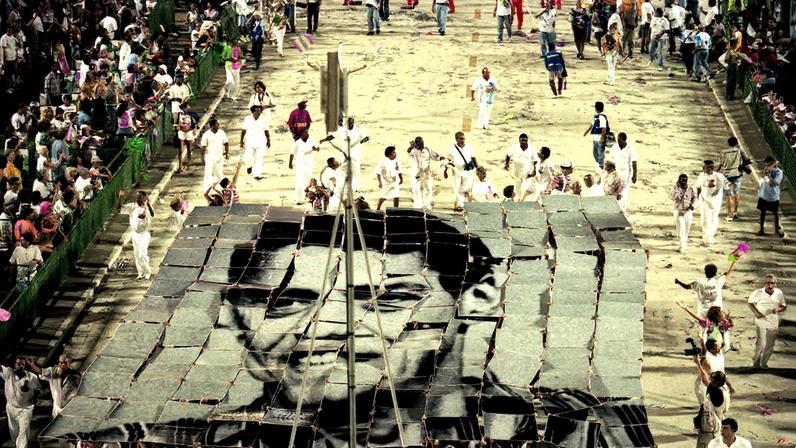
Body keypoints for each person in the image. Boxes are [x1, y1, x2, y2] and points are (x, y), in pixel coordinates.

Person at [747, 274, 786, 369]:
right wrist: (757, 312)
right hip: (761, 321)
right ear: (764, 283)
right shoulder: (758, 292)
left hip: (773, 321)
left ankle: (764, 363)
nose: (770, 285)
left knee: (770, 345)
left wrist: (778, 309)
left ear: (775, 284)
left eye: (772, 283)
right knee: (761, 343)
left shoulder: (779, 293)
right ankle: (756, 363)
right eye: (768, 283)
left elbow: (783, 306)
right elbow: (750, 303)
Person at [2, 357, 41, 448]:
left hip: (25, 408)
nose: (20, 366)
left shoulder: (32, 377)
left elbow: (37, 389)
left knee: (24, 431)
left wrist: (35, 398)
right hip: (11, 408)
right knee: (14, 432)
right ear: (14, 364)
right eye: (18, 363)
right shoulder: (8, 373)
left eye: (22, 364)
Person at [321, 117, 370, 192]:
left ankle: (356, 188)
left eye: (350, 123)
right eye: (348, 123)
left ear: (353, 122)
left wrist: (362, 141)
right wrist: (324, 140)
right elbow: (332, 136)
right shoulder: (341, 130)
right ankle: (342, 186)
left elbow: (367, 137)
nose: (349, 125)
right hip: (344, 154)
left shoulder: (359, 130)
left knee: (355, 170)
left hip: (355, 153)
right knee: (342, 170)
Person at [117, 190, 155, 280]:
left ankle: (148, 272)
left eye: (140, 197)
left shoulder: (147, 208)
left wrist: (148, 205)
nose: (137, 198)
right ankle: (140, 273)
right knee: (137, 255)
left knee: (142, 254)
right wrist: (120, 197)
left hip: (144, 234)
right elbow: (119, 209)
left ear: (144, 198)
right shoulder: (132, 206)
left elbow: (152, 214)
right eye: (137, 197)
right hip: (135, 234)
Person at [695, 160, 732, 245]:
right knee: (704, 219)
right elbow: (698, 187)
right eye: (704, 168)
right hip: (704, 201)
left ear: (711, 168)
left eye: (706, 168)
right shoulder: (701, 175)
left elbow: (726, 183)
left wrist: (731, 185)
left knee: (713, 218)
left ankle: (711, 235)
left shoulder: (718, 176)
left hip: (715, 202)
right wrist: (697, 197)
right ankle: (705, 236)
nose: (705, 169)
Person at [694, 362, 730, 448]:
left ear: (717, 382)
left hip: (711, 425)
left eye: (713, 381)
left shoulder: (716, 392)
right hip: (719, 420)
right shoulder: (724, 389)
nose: (711, 381)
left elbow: (707, 382)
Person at [406, 137, 445, 210]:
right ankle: (417, 206)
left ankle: (427, 205)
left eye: (422, 142)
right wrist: (411, 146)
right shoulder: (414, 151)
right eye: (419, 143)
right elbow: (408, 152)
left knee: (428, 189)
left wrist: (441, 158)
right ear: (416, 144)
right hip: (417, 172)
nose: (421, 144)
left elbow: (435, 156)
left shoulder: (427, 150)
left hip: (426, 172)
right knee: (416, 189)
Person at [716, 137, 747, 221]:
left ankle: (729, 215)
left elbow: (720, 165)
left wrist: (715, 173)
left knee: (729, 196)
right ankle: (735, 212)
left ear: (728, 143)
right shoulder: (739, 151)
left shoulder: (723, 152)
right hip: (737, 175)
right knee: (736, 193)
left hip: (727, 176)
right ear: (736, 143)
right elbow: (747, 159)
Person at [447, 132, 478, 212]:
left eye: (463, 138)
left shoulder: (469, 147)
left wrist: (477, 167)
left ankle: (464, 204)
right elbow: (448, 160)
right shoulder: (451, 148)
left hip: (467, 171)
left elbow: (473, 157)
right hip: (456, 171)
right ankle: (458, 205)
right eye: (461, 139)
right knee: (456, 188)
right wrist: (445, 171)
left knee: (466, 188)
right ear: (456, 139)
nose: (463, 140)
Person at [605, 132, 637, 211]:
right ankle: (614, 207)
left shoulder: (630, 148)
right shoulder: (615, 147)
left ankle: (622, 209)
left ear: (624, 140)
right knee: (614, 189)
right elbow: (609, 159)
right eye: (618, 140)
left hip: (626, 173)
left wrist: (635, 174)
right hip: (615, 172)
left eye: (620, 140)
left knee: (624, 191)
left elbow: (634, 162)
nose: (618, 142)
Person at [289, 130, 320, 204]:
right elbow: (292, 154)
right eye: (305, 133)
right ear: (301, 135)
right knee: (300, 180)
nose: (307, 135)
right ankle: (299, 199)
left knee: (309, 180)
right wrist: (290, 163)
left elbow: (314, 147)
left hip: (309, 163)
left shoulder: (310, 141)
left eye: (307, 133)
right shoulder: (297, 143)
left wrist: (316, 149)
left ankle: (309, 197)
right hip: (300, 163)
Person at [240, 105, 271, 180]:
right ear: (253, 111)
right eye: (258, 109)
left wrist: (268, 140)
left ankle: (257, 174)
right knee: (248, 157)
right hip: (249, 141)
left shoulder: (263, 119)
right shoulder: (248, 119)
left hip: (261, 141)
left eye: (260, 109)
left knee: (259, 159)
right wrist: (241, 141)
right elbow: (243, 131)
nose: (260, 110)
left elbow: (266, 130)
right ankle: (249, 166)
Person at [756, 156, 784, 237]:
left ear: (772, 164)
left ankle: (776, 230)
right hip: (764, 195)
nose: (766, 166)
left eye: (768, 165)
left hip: (773, 196)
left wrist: (768, 175)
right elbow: (763, 180)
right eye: (766, 165)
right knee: (762, 212)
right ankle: (761, 230)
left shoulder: (778, 172)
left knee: (775, 213)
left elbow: (775, 184)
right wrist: (765, 174)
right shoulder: (766, 170)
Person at [200, 119, 229, 191]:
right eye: (216, 125)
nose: (218, 126)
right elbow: (203, 147)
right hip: (209, 157)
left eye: (218, 125)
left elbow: (226, 143)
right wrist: (202, 158)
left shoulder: (221, 133)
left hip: (219, 156)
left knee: (219, 173)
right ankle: (207, 189)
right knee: (208, 173)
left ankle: (221, 188)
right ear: (212, 126)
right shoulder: (206, 134)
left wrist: (227, 153)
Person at [671, 174, 697, 253]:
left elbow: (695, 198)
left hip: (688, 211)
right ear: (679, 180)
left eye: (685, 180)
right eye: (682, 180)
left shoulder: (690, 189)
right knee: (681, 230)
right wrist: (678, 190)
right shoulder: (675, 188)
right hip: (678, 211)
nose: (684, 182)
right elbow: (672, 197)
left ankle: (683, 244)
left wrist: (693, 205)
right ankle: (682, 246)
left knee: (686, 229)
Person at [583, 101, 608, 170]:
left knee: (600, 153)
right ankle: (600, 164)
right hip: (595, 138)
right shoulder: (596, 116)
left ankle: (601, 166)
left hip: (599, 138)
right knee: (595, 153)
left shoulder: (602, 117)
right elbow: (592, 124)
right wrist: (587, 131)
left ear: (596, 108)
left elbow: (604, 128)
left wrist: (602, 137)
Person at [174, 103, 197, 173]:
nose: (189, 108)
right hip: (181, 133)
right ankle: (180, 166)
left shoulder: (190, 114)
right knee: (180, 150)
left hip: (189, 132)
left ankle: (188, 163)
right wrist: (177, 128)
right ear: (184, 108)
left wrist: (194, 131)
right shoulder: (178, 114)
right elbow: (175, 123)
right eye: (187, 107)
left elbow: (194, 123)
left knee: (189, 149)